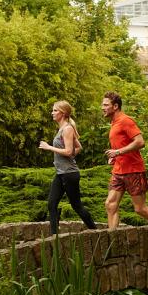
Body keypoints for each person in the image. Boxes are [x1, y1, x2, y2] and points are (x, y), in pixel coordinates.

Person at [101, 91, 148, 230]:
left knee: (140, 209)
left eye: (106, 105)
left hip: (133, 171)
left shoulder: (126, 121)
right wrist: (115, 157)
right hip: (118, 170)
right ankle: (112, 239)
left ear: (115, 106)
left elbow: (140, 142)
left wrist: (118, 151)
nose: (102, 107)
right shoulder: (114, 123)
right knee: (110, 204)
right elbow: (122, 145)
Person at [38, 100, 97, 235]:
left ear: (63, 113)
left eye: (55, 110)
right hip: (61, 173)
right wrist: (68, 158)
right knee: (51, 204)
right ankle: (54, 236)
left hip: (69, 174)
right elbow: (78, 148)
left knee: (76, 206)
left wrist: (49, 147)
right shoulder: (63, 129)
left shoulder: (67, 129)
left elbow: (69, 151)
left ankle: (95, 231)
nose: (52, 113)